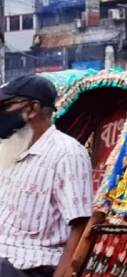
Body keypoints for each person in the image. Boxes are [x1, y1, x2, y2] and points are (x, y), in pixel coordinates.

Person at [0, 75, 93, 277]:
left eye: (4, 106)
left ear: (32, 109)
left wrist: (64, 273)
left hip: (32, 267)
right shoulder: (9, 149)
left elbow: (81, 226)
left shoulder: (67, 153)